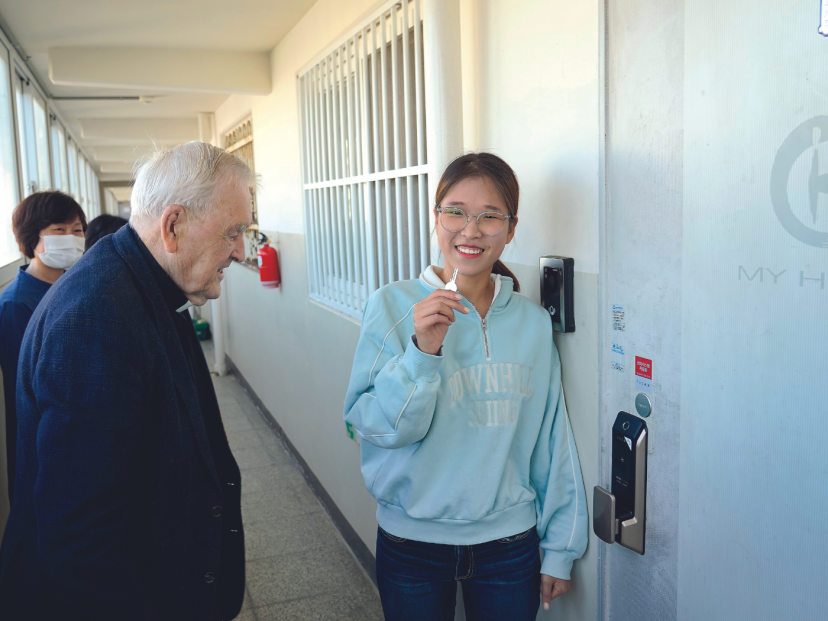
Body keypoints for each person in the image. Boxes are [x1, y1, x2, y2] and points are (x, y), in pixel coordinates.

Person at [0, 142, 255, 621]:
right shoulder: (97, 320)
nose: (241, 250)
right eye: (233, 231)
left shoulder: (145, 283)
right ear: (173, 226)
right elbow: (80, 541)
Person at [344, 153, 588, 620]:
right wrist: (422, 352)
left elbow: (552, 443)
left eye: (490, 216)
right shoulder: (392, 305)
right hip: (411, 542)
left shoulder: (533, 324)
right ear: (436, 218)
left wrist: (560, 547)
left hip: (510, 547)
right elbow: (373, 426)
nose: (470, 230)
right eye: (455, 211)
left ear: (511, 228)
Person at [0, 191, 87, 503]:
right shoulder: (15, 304)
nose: (72, 238)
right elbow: (26, 390)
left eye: (77, 229)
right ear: (30, 238)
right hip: (46, 436)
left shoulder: (75, 284)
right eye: (58, 230)